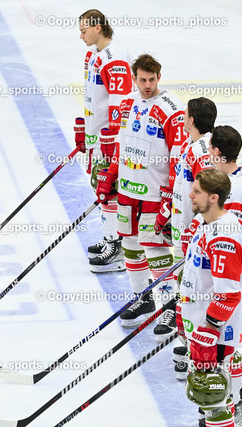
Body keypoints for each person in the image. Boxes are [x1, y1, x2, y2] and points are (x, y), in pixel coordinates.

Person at [95, 54, 187, 334]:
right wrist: (111, 173)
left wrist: (170, 195)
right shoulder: (127, 103)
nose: (147, 85)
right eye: (142, 80)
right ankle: (143, 299)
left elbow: (178, 156)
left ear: (159, 77)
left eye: (152, 79)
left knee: (155, 250)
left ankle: (170, 308)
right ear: (134, 78)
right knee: (131, 247)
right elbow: (122, 145)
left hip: (154, 195)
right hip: (127, 190)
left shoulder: (172, 109)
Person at [179, 169, 242, 427]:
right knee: (208, 401)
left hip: (215, 331)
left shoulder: (224, 236)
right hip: (200, 324)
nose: (190, 195)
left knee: (212, 397)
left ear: (213, 197)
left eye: (197, 191)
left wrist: (208, 331)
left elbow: (228, 295)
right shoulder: (205, 223)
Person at [75, 9, 132, 273]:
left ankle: (117, 247)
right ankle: (110, 237)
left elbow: (120, 105)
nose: (81, 36)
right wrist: (85, 131)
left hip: (110, 141)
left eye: (84, 30)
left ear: (98, 28)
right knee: (100, 188)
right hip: (98, 139)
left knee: (108, 190)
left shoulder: (114, 58)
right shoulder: (93, 55)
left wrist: (114, 144)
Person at [166, 97, 217, 374]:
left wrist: (194, 229)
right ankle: (189, 344)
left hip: (192, 235)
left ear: (192, 120)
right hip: (185, 230)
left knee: (192, 293)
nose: (183, 119)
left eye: (185, 115)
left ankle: (194, 351)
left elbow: (207, 195)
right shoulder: (194, 145)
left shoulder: (201, 151)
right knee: (185, 291)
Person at [208, 125, 242, 313]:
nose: (207, 150)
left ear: (217, 151)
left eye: (209, 146)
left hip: (230, 276)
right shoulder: (231, 180)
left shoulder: (235, 190)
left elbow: (235, 238)